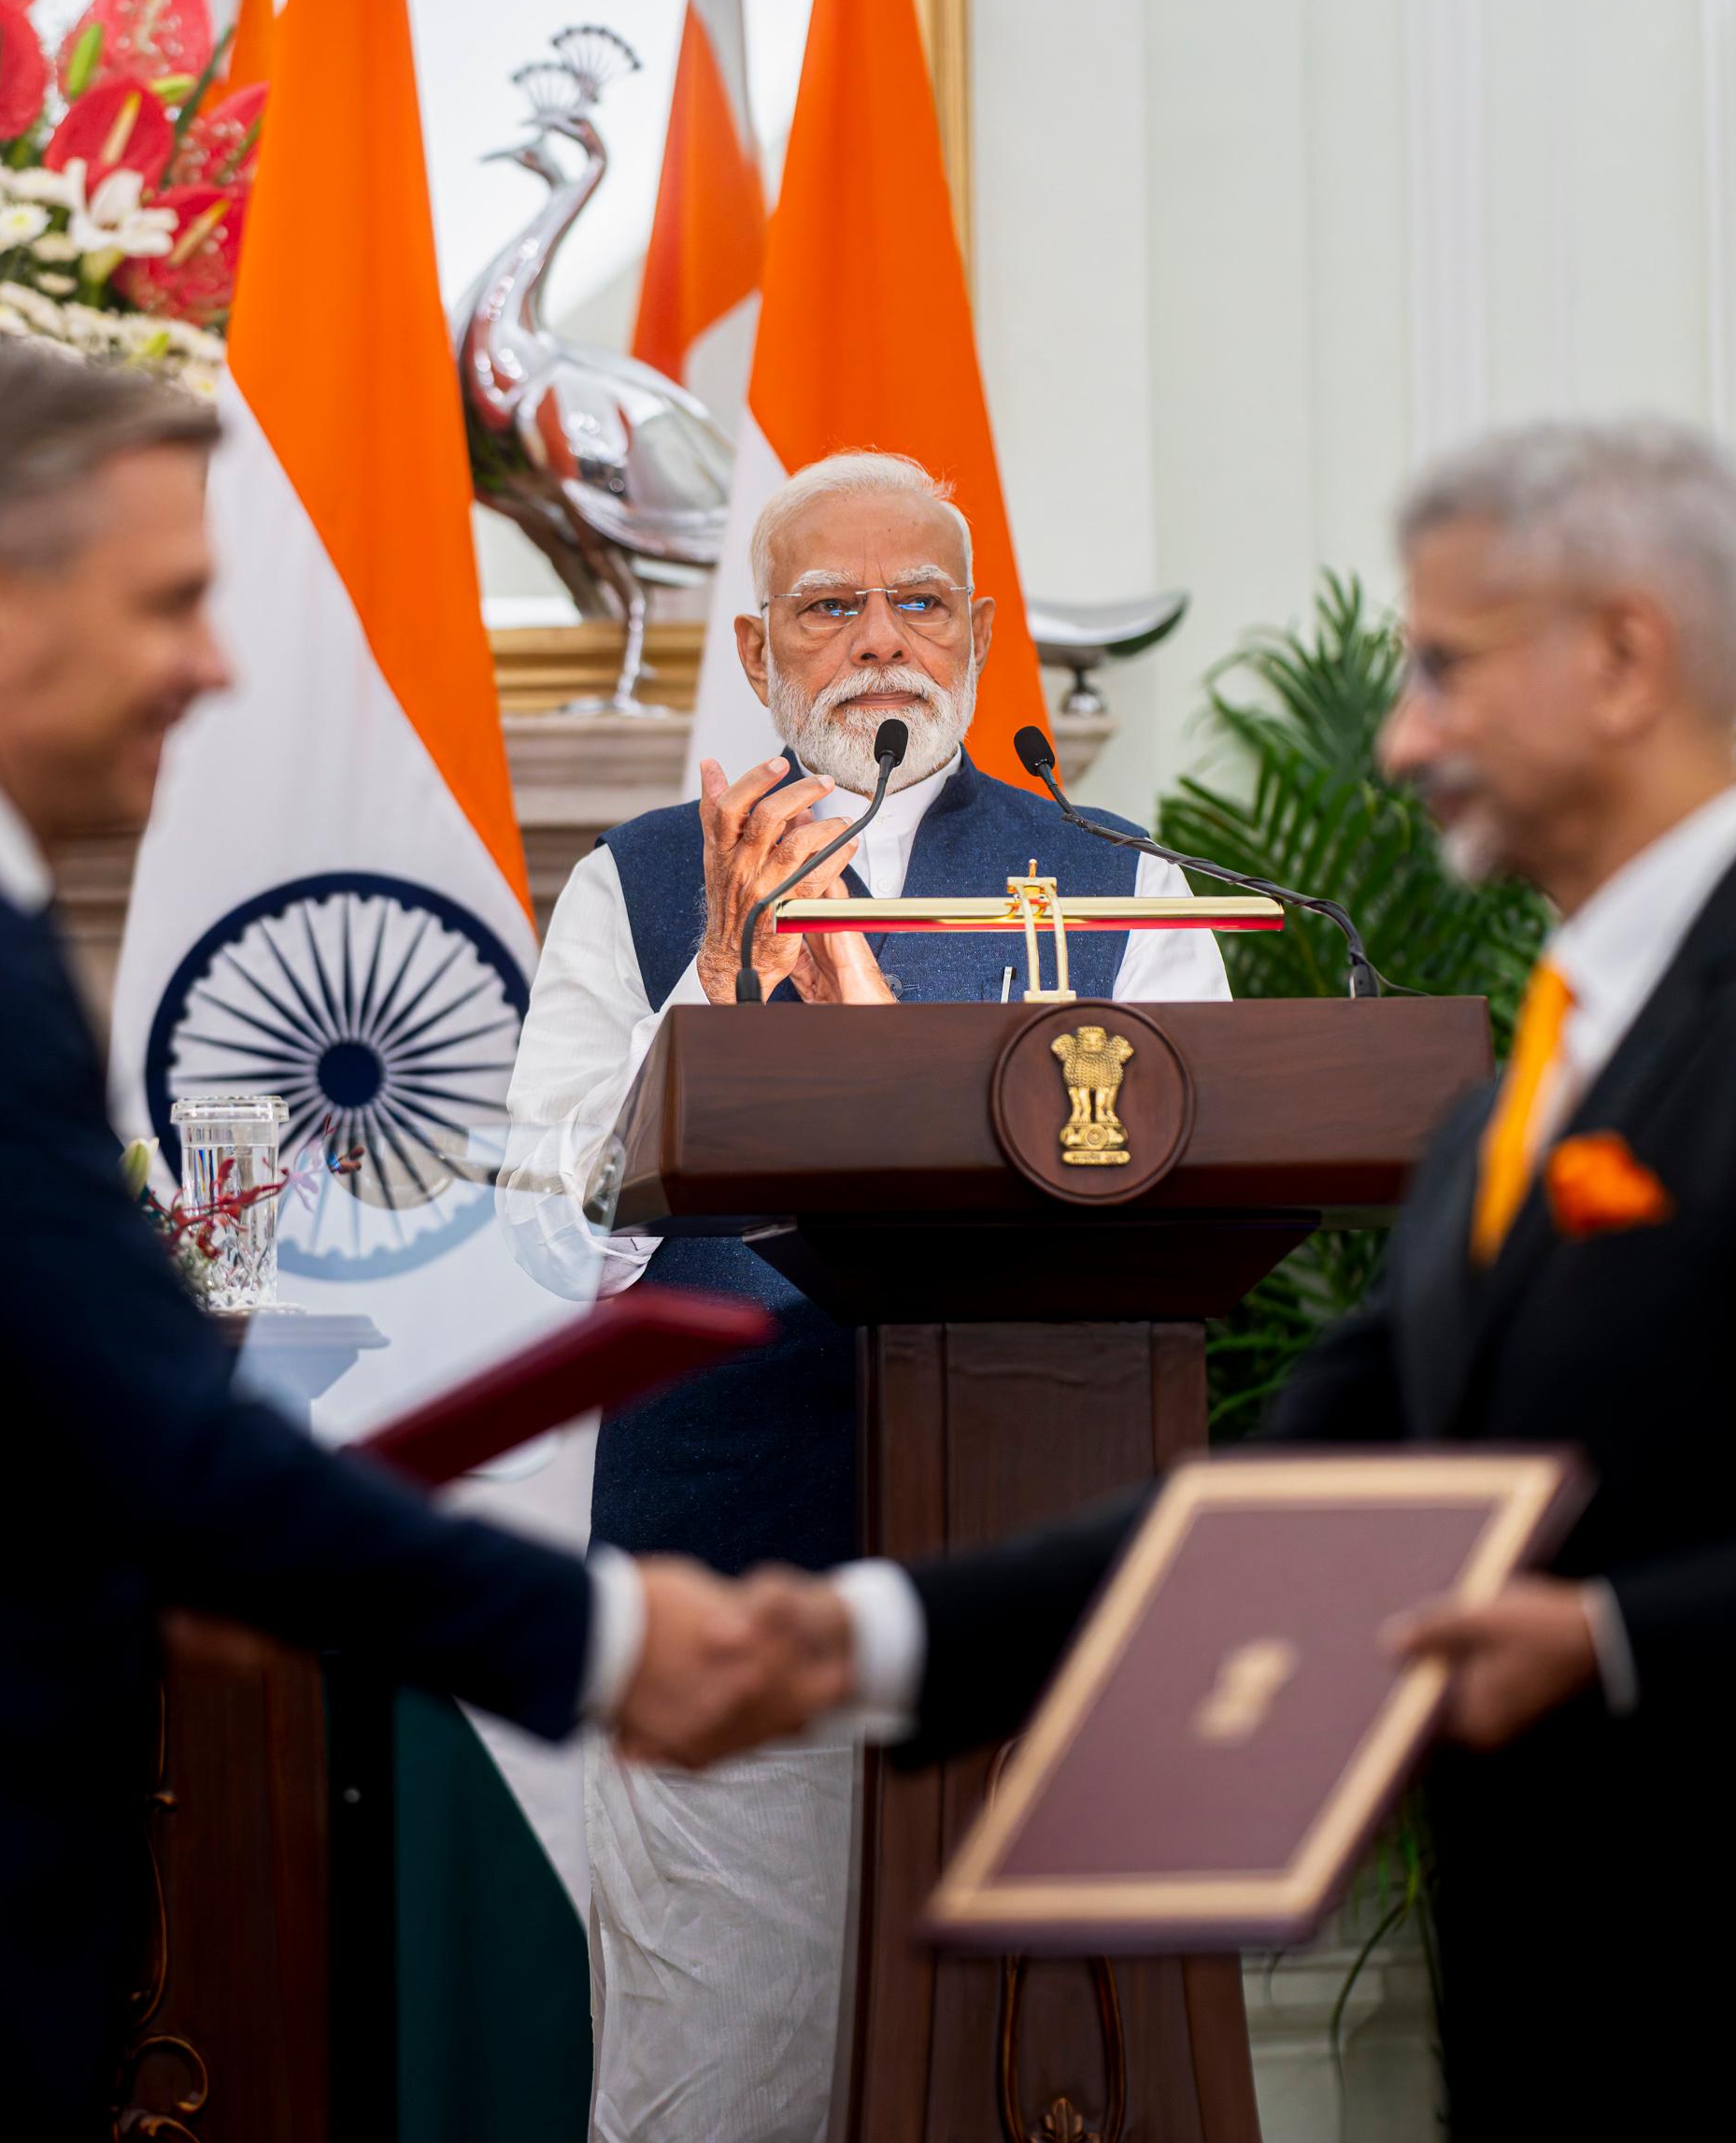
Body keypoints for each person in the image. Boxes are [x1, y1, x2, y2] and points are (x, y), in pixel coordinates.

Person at [0, 341, 860, 2138]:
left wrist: (133, 1549)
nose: (219, 665)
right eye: (169, 603)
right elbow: (161, 1445)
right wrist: (612, 1643)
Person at [845, 420, 1736, 2136]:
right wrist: (871, 1633)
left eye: (1442, 665)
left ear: (1622, 655)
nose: (1399, 732)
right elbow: (1295, 1492)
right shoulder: (1536, 1073)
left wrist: (1606, 1638)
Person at [499, 448, 1230, 2138]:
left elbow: (1211, 1209)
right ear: (758, 654)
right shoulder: (636, 883)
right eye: (831, 606)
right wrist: (721, 980)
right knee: (720, 2103)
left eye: (917, 603)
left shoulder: (1126, 884)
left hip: (1038, 1615)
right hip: (731, 1610)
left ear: (977, 632)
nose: (879, 642)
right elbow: (544, 1236)